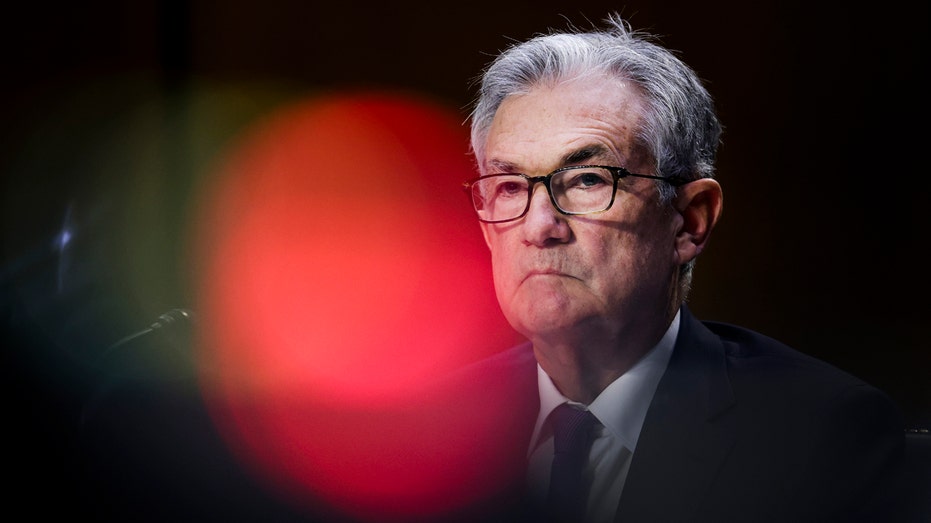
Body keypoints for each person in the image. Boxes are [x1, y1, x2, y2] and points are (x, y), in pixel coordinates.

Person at [454, 13, 907, 523]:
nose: (539, 227)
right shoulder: (430, 430)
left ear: (690, 222)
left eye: (586, 179)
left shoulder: (821, 434)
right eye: (510, 187)